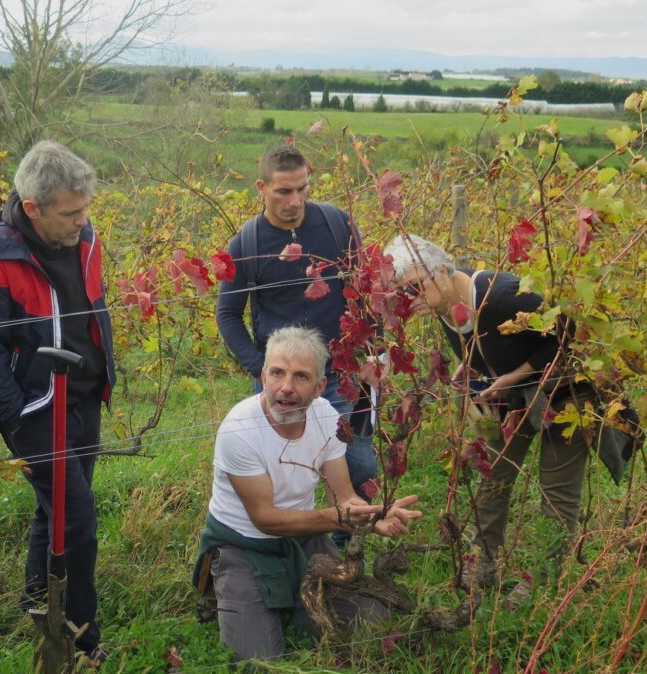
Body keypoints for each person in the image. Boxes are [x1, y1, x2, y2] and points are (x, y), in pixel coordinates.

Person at [0, 140, 115, 663]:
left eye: (84, 209)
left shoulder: (85, 239)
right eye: (71, 212)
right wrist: (18, 414)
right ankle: (79, 632)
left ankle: (37, 600)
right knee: (78, 518)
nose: (82, 221)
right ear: (33, 208)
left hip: (85, 397)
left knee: (58, 510)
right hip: (35, 409)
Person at [193, 326, 421, 661]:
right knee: (258, 659)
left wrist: (374, 517)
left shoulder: (327, 417)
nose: (286, 388)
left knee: (373, 620)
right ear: (263, 375)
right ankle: (227, 590)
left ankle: (290, 593)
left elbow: (343, 499)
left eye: (300, 377)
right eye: (277, 373)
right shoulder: (239, 430)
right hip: (242, 544)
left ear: (319, 387)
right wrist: (333, 519)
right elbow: (265, 520)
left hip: (304, 536)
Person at [382, 234, 588, 584]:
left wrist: (513, 377)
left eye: (415, 288)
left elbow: (567, 332)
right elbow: (491, 341)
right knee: (492, 477)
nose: (409, 301)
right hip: (512, 398)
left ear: (443, 272)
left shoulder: (503, 296)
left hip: (565, 393)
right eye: (401, 293)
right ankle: (483, 565)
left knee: (556, 490)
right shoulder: (441, 303)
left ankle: (546, 582)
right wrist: (473, 364)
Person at [215, 144, 378, 509]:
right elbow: (227, 315)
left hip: (341, 375)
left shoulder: (336, 224)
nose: (295, 200)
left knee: (359, 466)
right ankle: (287, 549)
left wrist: (372, 354)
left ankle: (345, 546)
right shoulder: (247, 244)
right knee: (280, 471)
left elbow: (366, 291)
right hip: (281, 380)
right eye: (284, 191)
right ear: (261, 188)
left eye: (302, 189)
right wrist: (261, 369)